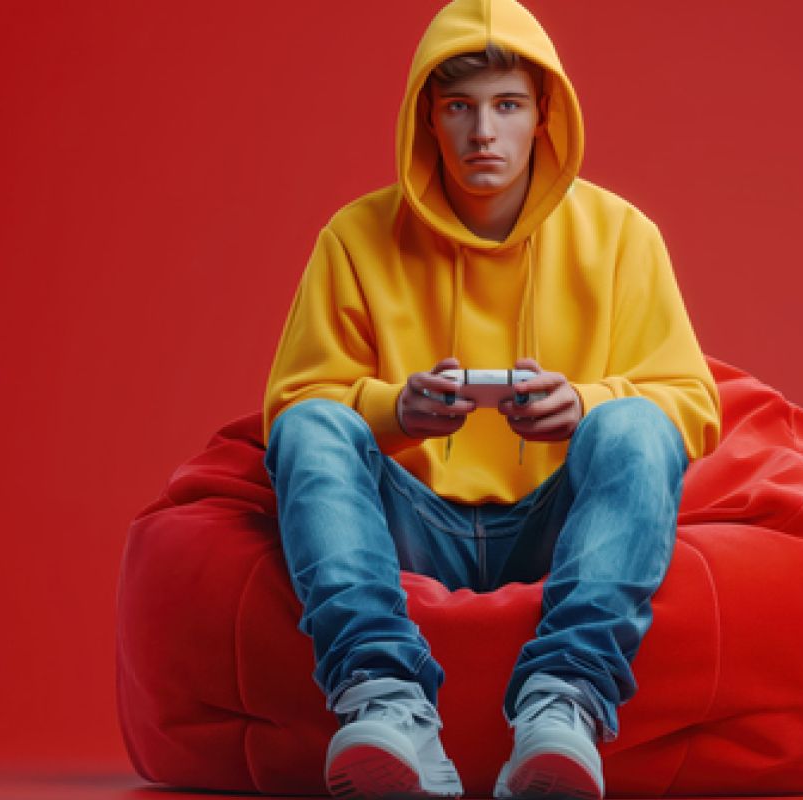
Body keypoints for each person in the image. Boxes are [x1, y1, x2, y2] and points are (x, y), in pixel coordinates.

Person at [261, 1, 721, 797]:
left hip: (561, 522)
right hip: (408, 524)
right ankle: (387, 701)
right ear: (427, 119)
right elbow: (294, 404)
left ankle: (563, 705)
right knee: (310, 428)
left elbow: (691, 402)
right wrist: (395, 411)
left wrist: (585, 406)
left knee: (636, 426)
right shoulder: (353, 237)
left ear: (544, 115)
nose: (483, 133)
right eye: (458, 108)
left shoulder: (623, 236)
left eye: (507, 106)